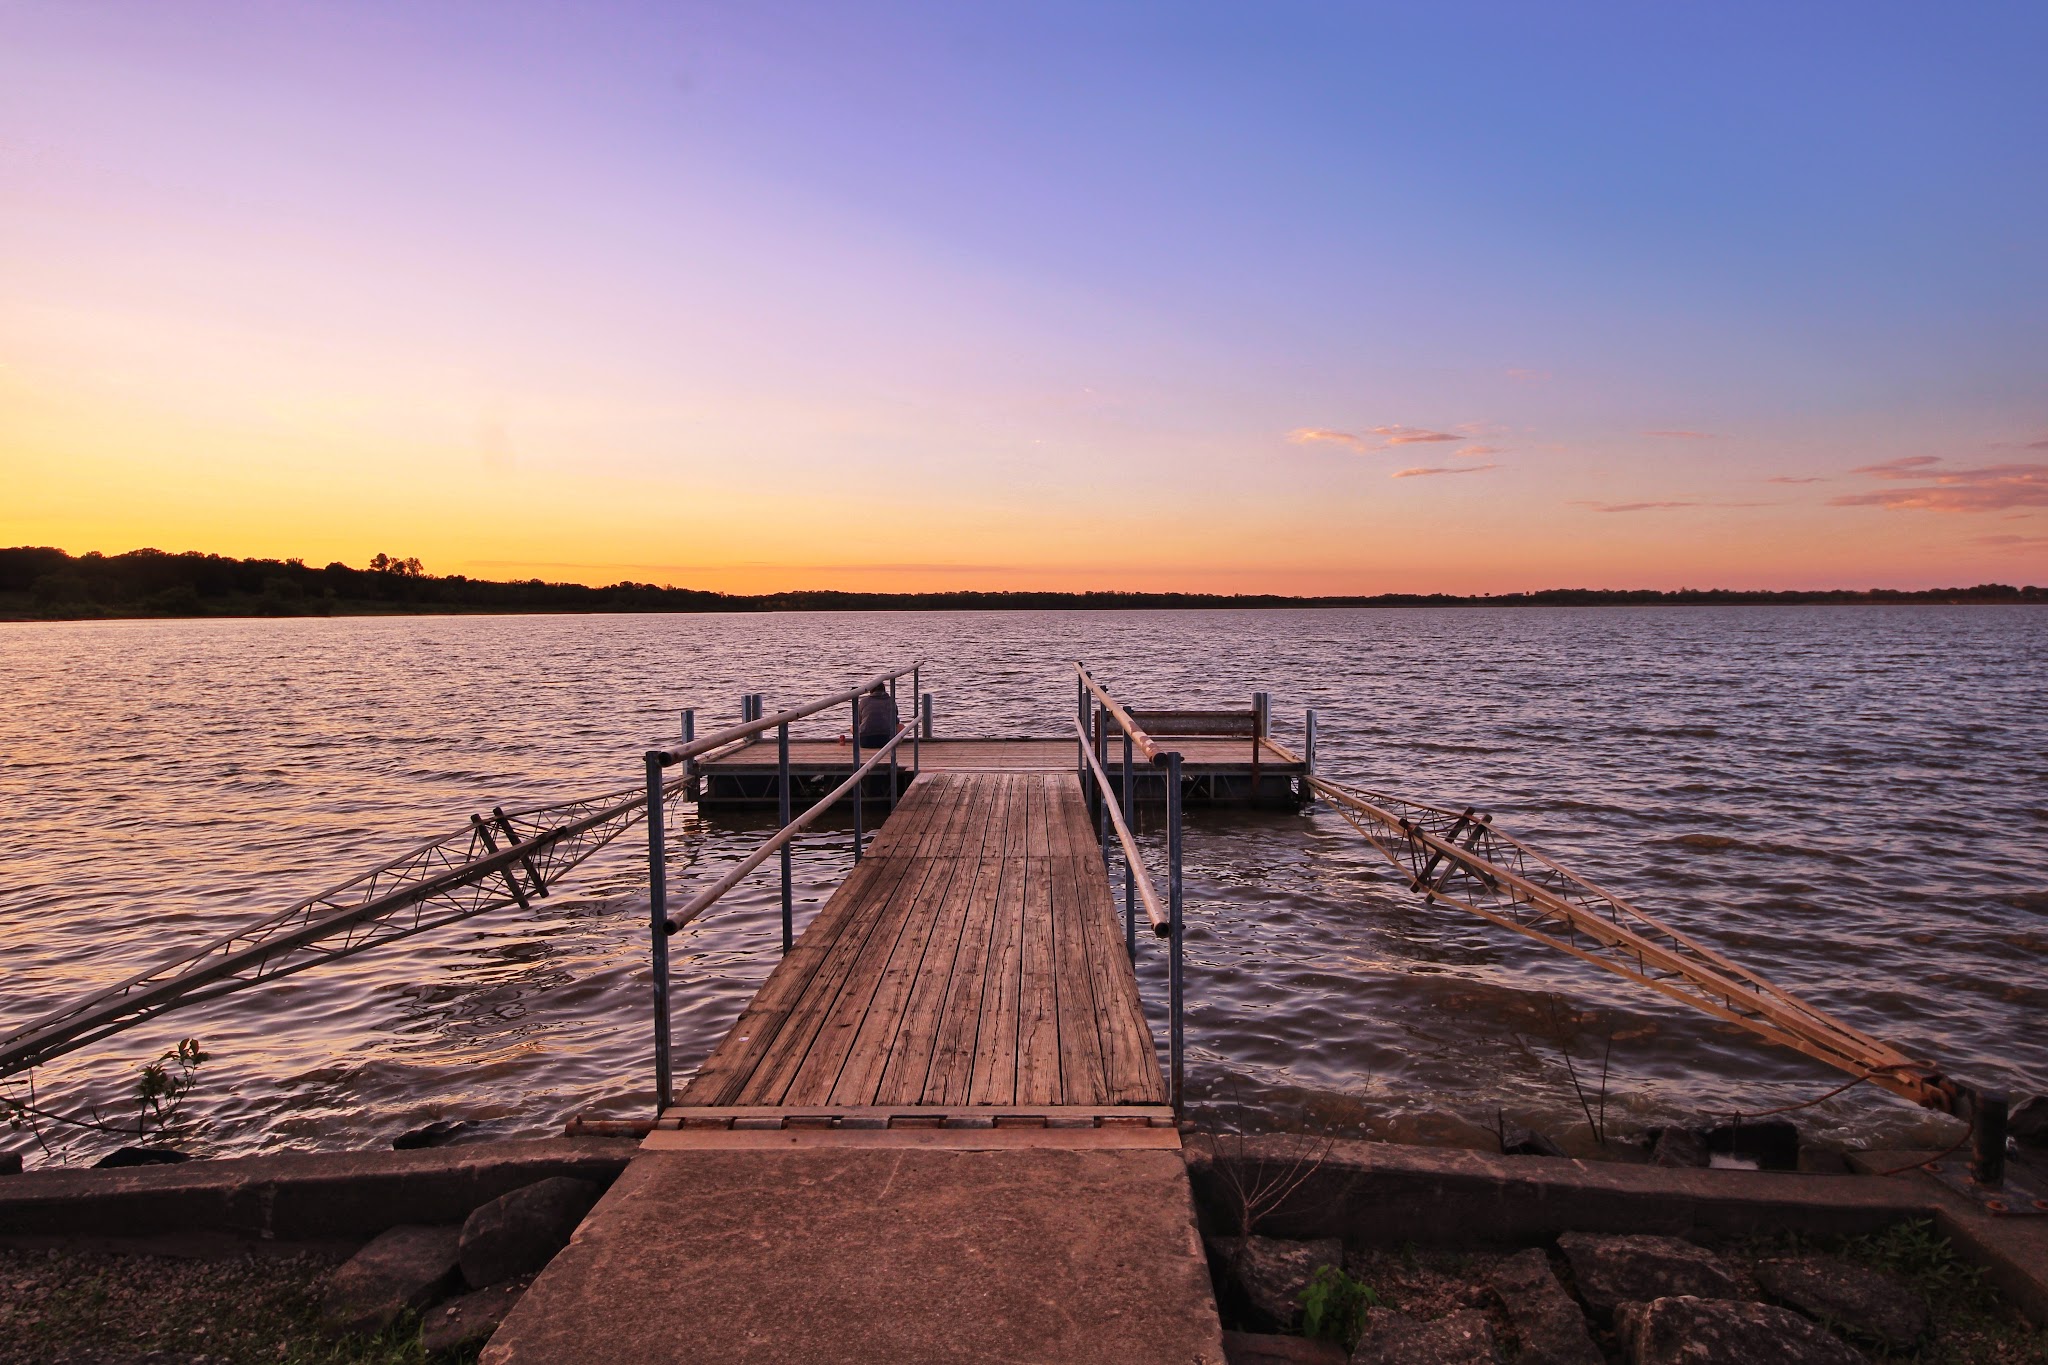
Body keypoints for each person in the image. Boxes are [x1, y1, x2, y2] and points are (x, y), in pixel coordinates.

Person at [855, 683, 900, 747]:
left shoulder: (863, 701)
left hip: (865, 741)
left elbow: (858, 721)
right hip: (887, 740)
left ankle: (857, 743)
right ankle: (897, 742)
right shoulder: (891, 700)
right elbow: (896, 721)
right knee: (901, 727)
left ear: (871, 690)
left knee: (853, 727)